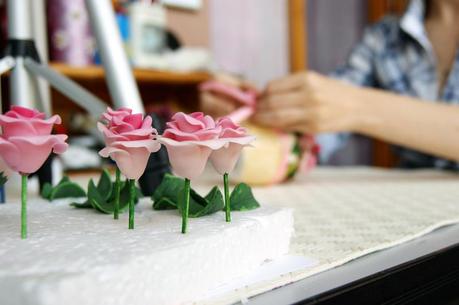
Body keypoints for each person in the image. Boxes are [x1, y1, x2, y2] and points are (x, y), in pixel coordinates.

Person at [201, 0, 459, 168]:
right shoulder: (383, 37)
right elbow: (319, 128)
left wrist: (357, 107)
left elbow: (344, 103)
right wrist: (257, 114)